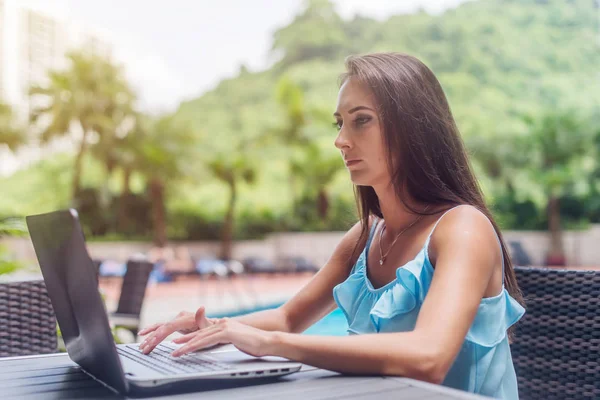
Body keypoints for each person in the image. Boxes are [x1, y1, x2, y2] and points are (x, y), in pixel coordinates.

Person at [138, 52, 525, 399]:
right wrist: (211, 327)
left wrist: (273, 344)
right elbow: (288, 318)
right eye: (340, 123)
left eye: (361, 121)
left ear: (414, 128)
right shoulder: (364, 238)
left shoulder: (462, 229)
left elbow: (428, 356)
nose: (341, 140)